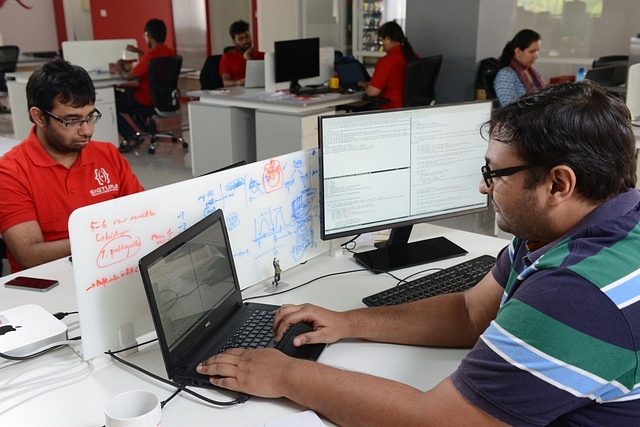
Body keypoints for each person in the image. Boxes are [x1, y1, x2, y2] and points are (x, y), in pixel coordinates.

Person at [196, 80, 640, 426]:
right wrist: (349, 323)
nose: (483, 186)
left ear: (558, 184)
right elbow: (471, 313)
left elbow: (436, 421)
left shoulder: (578, 292)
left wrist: (288, 376)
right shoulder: (568, 226)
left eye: (495, 173)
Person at [0, 60, 144, 273]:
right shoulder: (11, 171)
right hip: (50, 282)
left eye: (90, 117)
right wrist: (104, 240)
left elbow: (145, 216)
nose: (86, 131)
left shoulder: (108, 154)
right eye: (72, 121)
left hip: (112, 267)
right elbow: (29, 255)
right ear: (39, 117)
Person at [115, 18, 175, 153]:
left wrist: (120, 65)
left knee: (114, 102)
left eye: (145, 35)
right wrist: (139, 52)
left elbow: (129, 76)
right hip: (163, 99)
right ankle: (146, 129)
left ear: (150, 36)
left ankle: (131, 137)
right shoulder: (169, 52)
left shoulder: (151, 56)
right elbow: (150, 61)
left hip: (145, 99)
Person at [357, 21, 418, 109]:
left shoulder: (387, 61)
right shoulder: (413, 56)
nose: (382, 45)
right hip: (411, 107)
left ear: (388, 39)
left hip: (391, 108)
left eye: (381, 41)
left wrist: (366, 87)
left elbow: (372, 92)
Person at [493, 29, 546, 108]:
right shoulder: (506, 75)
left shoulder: (534, 72)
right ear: (518, 51)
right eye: (532, 51)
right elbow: (509, 107)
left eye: (537, 51)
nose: (536, 56)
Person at [219, 19, 264, 88]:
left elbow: (263, 77)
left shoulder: (262, 55)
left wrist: (248, 58)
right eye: (240, 39)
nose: (245, 41)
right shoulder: (227, 58)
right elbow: (225, 82)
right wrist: (239, 82)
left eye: (247, 37)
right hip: (237, 93)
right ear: (234, 42)